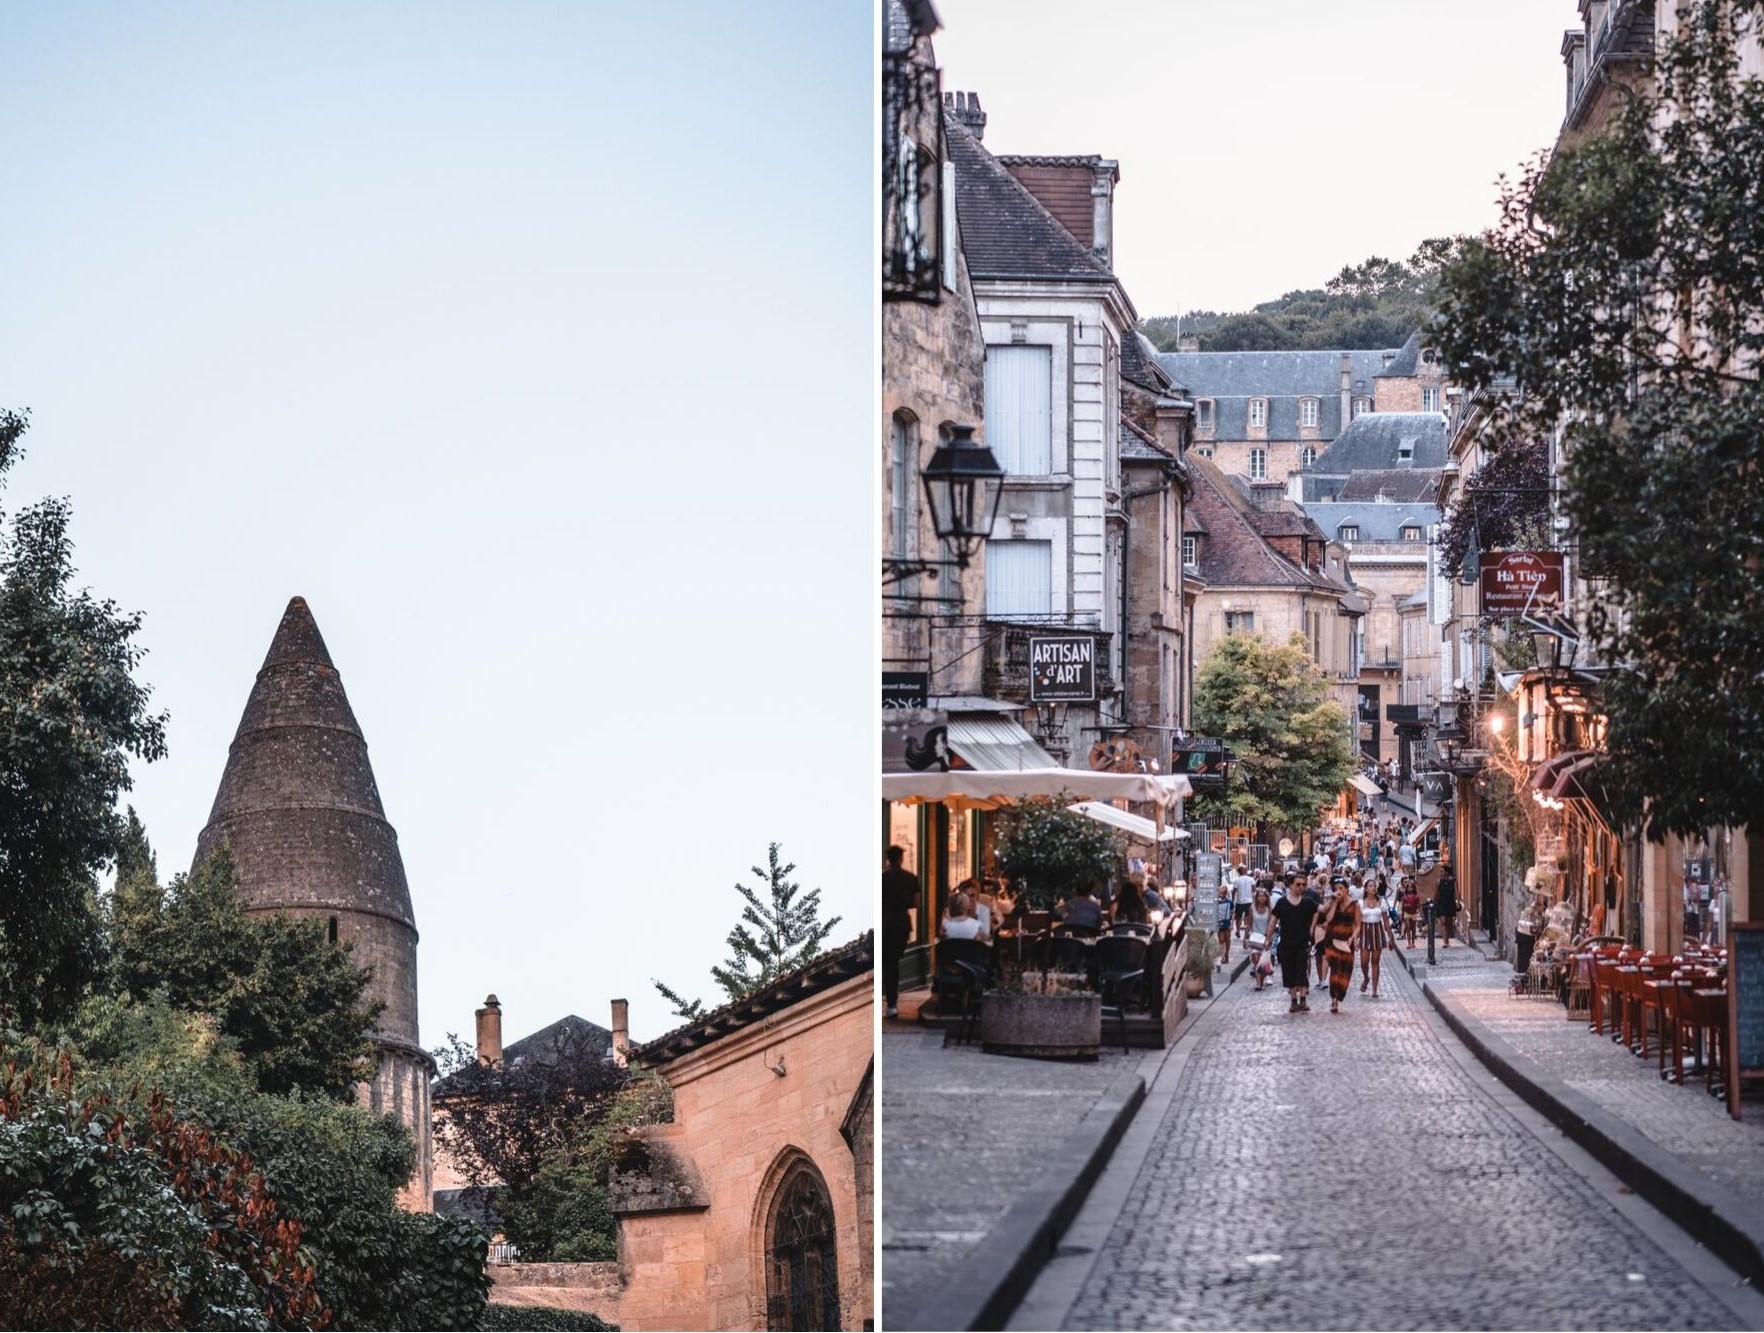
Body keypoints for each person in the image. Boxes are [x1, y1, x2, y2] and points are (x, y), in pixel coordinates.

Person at [1272, 874, 1321, 1012]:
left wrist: (1312, 926)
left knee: (1302, 971)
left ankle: (1303, 1001)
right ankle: (1294, 1001)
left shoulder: (1307, 902)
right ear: (1291, 885)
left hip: (1302, 943)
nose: (1301, 887)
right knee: (1289, 972)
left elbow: (1320, 909)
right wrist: (1268, 938)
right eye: (1298, 884)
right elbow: (1273, 920)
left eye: (1303, 884)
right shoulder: (1282, 902)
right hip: (1286, 943)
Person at [882, 845, 919, 1019]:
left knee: (888, 963)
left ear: (888, 859)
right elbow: (916, 903)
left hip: (886, 922)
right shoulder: (911, 878)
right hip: (902, 923)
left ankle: (890, 1002)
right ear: (901, 859)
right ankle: (891, 1003)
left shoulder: (882, 879)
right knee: (893, 963)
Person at [1317, 879, 1362, 1013]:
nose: (1338, 891)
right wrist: (1335, 903)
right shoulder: (1332, 902)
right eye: (1336, 888)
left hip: (1347, 940)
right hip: (1332, 939)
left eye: (1341, 888)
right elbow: (1329, 919)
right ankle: (1334, 1000)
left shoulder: (1355, 905)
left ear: (1347, 889)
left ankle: (1340, 993)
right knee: (1335, 969)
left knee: (1345, 969)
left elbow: (1358, 924)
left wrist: (1354, 937)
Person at [1358, 876, 1394, 997]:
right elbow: (1357, 923)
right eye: (1371, 886)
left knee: (1375, 961)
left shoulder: (1381, 902)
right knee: (1364, 962)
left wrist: (1391, 937)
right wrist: (1354, 938)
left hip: (1377, 931)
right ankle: (1366, 978)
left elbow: (1386, 921)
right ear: (1366, 889)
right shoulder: (1361, 903)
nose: (1373, 888)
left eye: (1374, 886)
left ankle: (1374, 989)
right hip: (1364, 931)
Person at [1247, 886, 1275, 991]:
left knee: (1262, 962)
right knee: (1256, 959)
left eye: (1263, 896)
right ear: (1256, 898)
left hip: (1265, 937)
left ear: (1266, 898)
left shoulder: (1269, 910)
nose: (1261, 898)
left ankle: (1261, 982)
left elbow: (1271, 924)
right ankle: (1258, 984)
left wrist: (1270, 938)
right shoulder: (1252, 909)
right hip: (1254, 937)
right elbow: (1249, 924)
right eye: (1259, 896)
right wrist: (1245, 937)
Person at [1434, 868, 1460, 948]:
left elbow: (1456, 893)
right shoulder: (1438, 882)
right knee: (1444, 921)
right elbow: (1436, 893)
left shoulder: (1453, 882)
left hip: (1450, 903)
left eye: (1442, 871)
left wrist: (1458, 902)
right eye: (1440, 871)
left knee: (1448, 923)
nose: (1441, 873)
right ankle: (1445, 942)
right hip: (1441, 903)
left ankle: (1447, 939)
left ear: (1447, 872)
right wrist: (1434, 903)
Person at [1232, 863, 1257, 940]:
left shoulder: (1237, 880)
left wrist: (1233, 900)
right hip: (1249, 901)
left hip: (1240, 901)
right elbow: (1254, 889)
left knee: (1238, 917)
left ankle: (1238, 931)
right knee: (1248, 917)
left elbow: (1234, 891)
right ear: (1245, 871)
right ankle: (1247, 932)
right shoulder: (1251, 879)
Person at [1400, 876, 1421, 948]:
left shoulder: (1416, 897)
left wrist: (1419, 911)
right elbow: (1402, 907)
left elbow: (1418, 905)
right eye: (1408, 887)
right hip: (1407, 913)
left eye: (1411, 887)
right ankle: (1409, 943)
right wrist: (1403, 914)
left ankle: (1413, 942)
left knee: (1413, 928)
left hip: (1414, 913)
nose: (1410, 889)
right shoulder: (1404, 897)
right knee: (1408, 927)